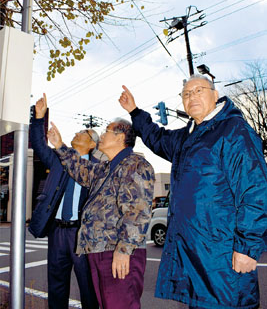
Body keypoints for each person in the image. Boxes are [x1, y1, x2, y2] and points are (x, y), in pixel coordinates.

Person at [119, 76, 267, 309]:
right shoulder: (187, 137)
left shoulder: (233, 131)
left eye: (199, 90)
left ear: (215, 96)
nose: (192, 97)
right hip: (195, 264)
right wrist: (135, 111)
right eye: (186, 94)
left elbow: (255, 190)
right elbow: (157, 138)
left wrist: (247, 248)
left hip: (223, 263)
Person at [47, 118, 155, 309]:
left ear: (120, 137)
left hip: (117, 252)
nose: (102, 136)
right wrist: (59, 145)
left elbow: (137, 212)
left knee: (120, 305)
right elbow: (79, 168)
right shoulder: (105, 169)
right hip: (98, 250)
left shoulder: (135, 165)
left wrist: (123, 251)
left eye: (106, 131)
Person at [29, 93, 104, 309]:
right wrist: (39, 118)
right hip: (58, 232)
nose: (77, 132)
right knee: (56, 286)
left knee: (88, 287)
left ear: (92, 144)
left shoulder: (97, 168)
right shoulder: (59, 158)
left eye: (83, 132)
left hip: (82, 234)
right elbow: (39, 145)